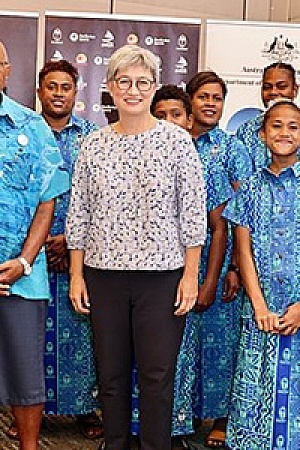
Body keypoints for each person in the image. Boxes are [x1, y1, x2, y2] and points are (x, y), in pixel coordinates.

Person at [66, 44, 207, 450]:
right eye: (123, 82)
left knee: (156, 377)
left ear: (155, 86)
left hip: (163, 279)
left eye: (142, 82)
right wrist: (77, 274)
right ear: (109, 87)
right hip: (103, 275)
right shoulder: (94, 144)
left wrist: (190, 276)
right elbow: (80, 213)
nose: (132, 90)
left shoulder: (178, 142)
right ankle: (114, 444)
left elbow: (193, 215)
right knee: (110, 377)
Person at [7, 59, 103, 442]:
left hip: (80, 249)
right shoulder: (22, 130)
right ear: (39, 91)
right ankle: (30, 411)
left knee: (81, 334)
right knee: (31, 340)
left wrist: (70, 239)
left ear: (76, 92)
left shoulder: (93, 136)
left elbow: (100, 196)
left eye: (66, 87)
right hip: (28, 249)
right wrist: (37, 245)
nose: (58, 93)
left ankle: (82, 410)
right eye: (51, 86)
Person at [150, 84, 234, 450]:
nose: (169, 122)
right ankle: (141, 429)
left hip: (191, 271)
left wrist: (210, 279)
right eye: (162, 115)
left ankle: (177, 429)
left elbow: (219, 226)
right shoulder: (135, 155)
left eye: (176, 115)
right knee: (147, 353)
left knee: (180, 353)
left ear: (189, 120)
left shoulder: (202, 165)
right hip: (145, 275)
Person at [0, 41, 68, 450]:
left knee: (26, 377)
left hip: (23, 276)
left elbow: (48, 199)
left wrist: (24, 261)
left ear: (7, 70)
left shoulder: (32, 127)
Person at [223, 99, 300, 450]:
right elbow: (243, 251)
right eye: (277, 126)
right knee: (254, 390)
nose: (284, 133)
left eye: (293, 126)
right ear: (263, 134)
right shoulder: (250, 188)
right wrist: (258, 305)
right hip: (260, 310)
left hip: (298, 307)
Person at [185, 71, 253, 448]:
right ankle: (184, 414)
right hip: (175, 261)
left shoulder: (231, 149)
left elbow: (244, 212)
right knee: (181, 346)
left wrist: (234, 268)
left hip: (221, 258)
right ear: (190, 100)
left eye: (217, 98)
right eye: (204, 96)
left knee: (222, 344)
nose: (211, 103)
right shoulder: (172, 141)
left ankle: (222, 419)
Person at [236, 62, 298, 171]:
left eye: (281, 86)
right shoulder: (246, 131)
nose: (273, 92)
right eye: (267, 87)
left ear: (295, 90)